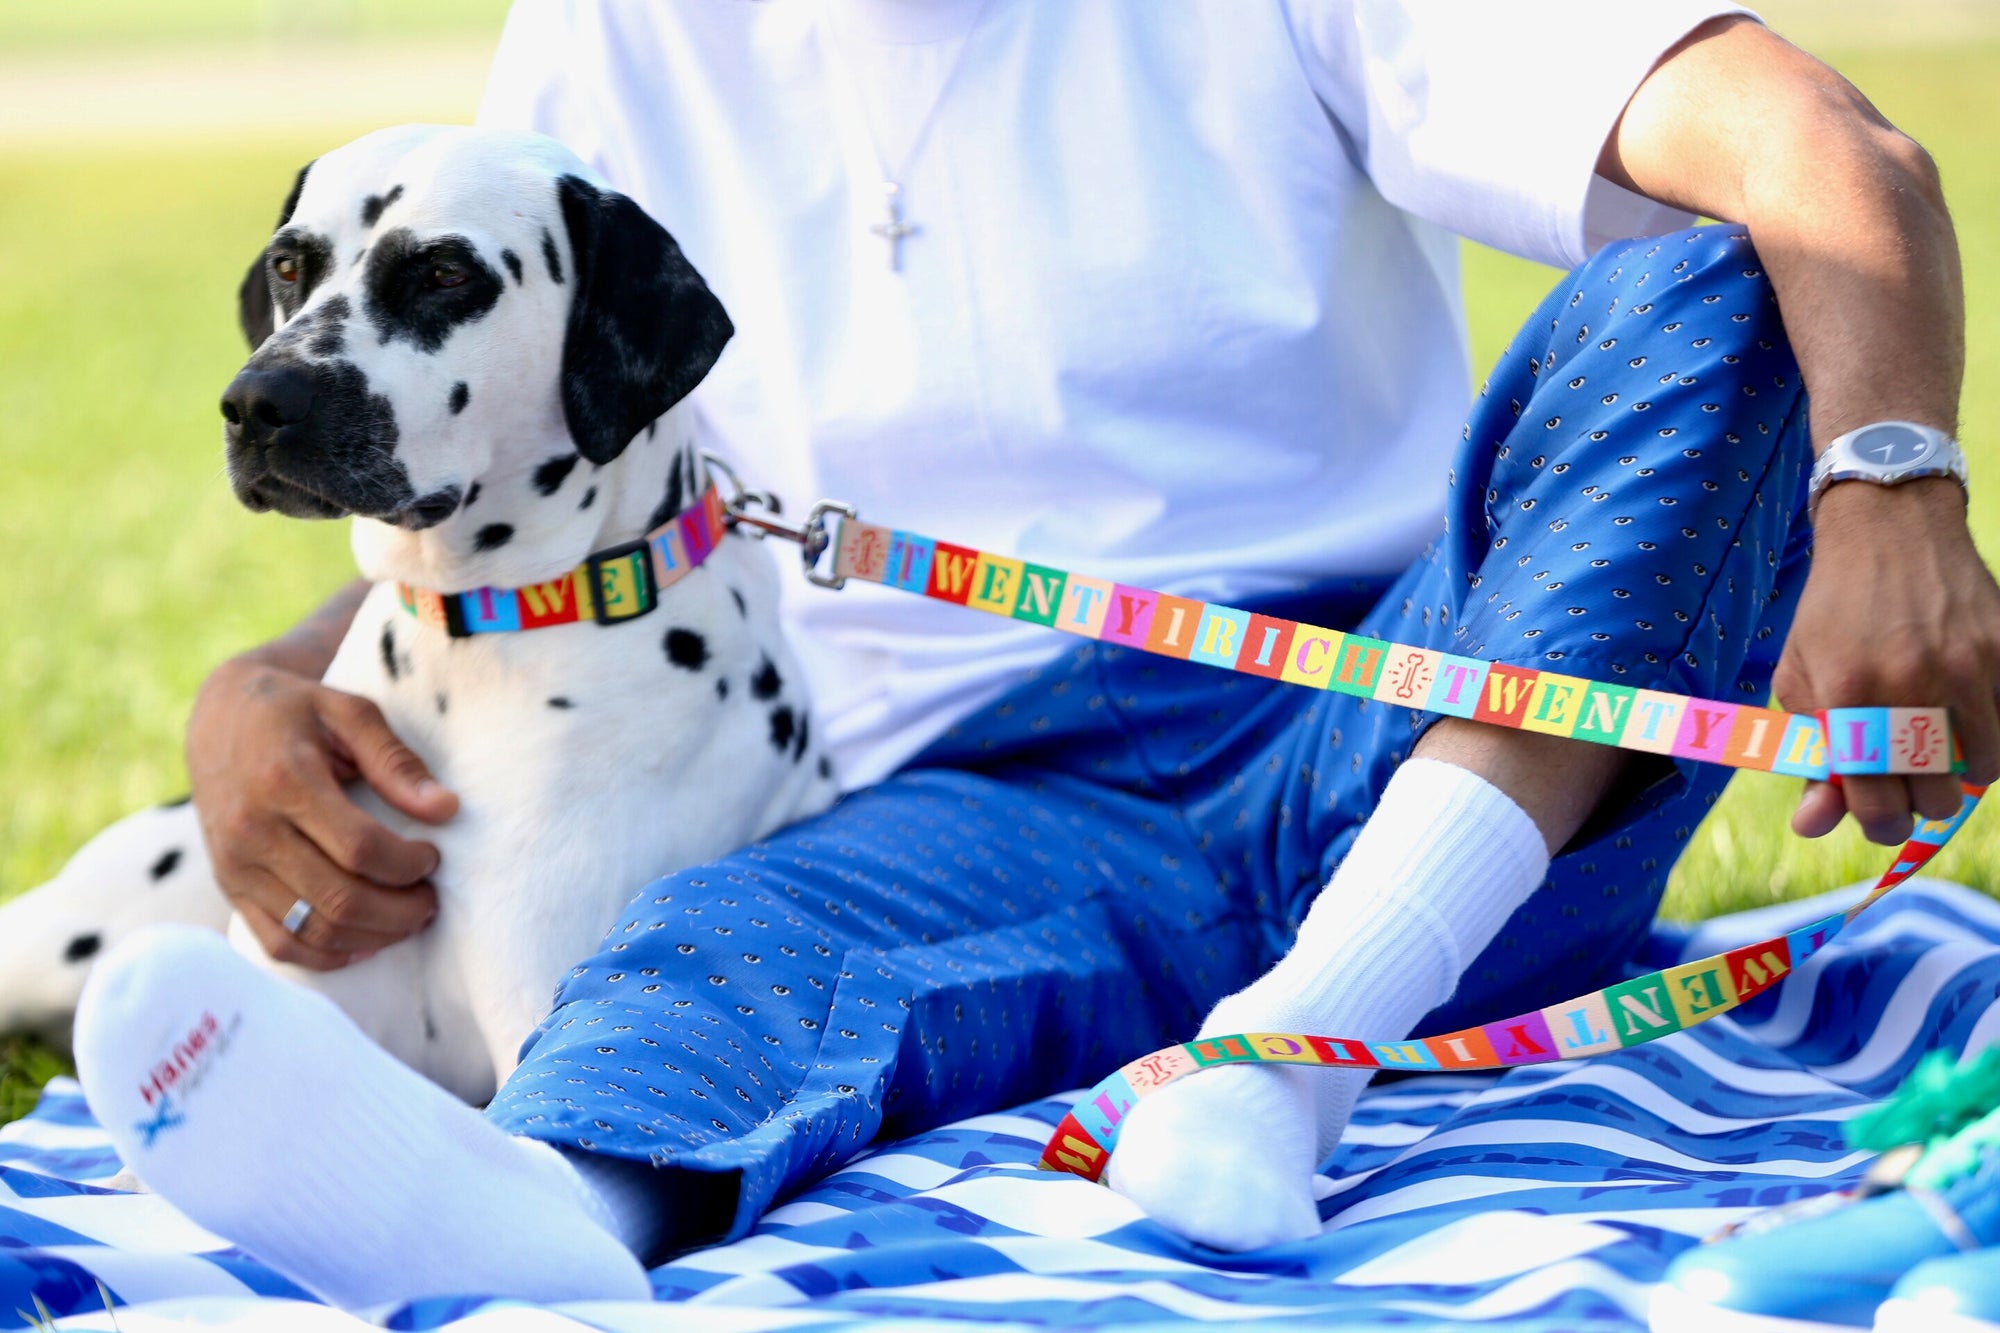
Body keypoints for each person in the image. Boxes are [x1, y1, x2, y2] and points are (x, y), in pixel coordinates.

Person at [71, 0, 2000, 1310]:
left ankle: (1294, 1054)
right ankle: (545, 1235)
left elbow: (1831, 157)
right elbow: (494, 429)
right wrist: (266, 680)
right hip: (969, 798)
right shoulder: (620, 31)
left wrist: (1892, 487)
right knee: (717, 953)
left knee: (1718, 289)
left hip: (1436, 718)